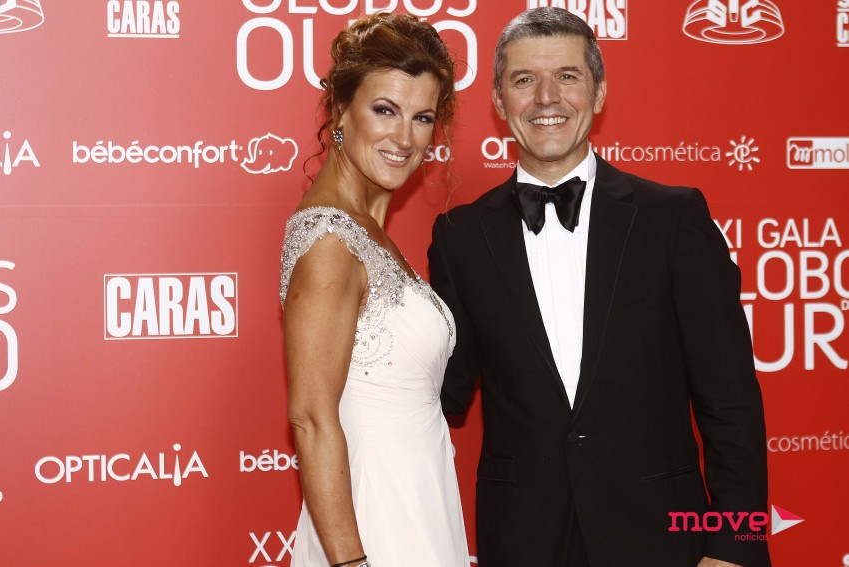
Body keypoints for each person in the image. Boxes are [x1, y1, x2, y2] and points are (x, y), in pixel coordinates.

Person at [428, 7, 769, 567]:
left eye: (567, 76)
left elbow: (730, 399)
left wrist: (737, 544)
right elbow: (443, 391)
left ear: (599, 92)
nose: (546, 98)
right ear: (498, 101)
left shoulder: (672, 219)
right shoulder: (460, 237)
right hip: (523, 541)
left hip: (662, 539)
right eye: (523, 79)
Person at [279, 12, 469, 567]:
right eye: (385, 110)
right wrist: (350, 563)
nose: (404, 138)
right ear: (341, 109)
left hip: (420, 506)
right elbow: (312, 418)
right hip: (374, 524)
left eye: (422, 117)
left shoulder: (365, 231)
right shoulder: (329, 239)